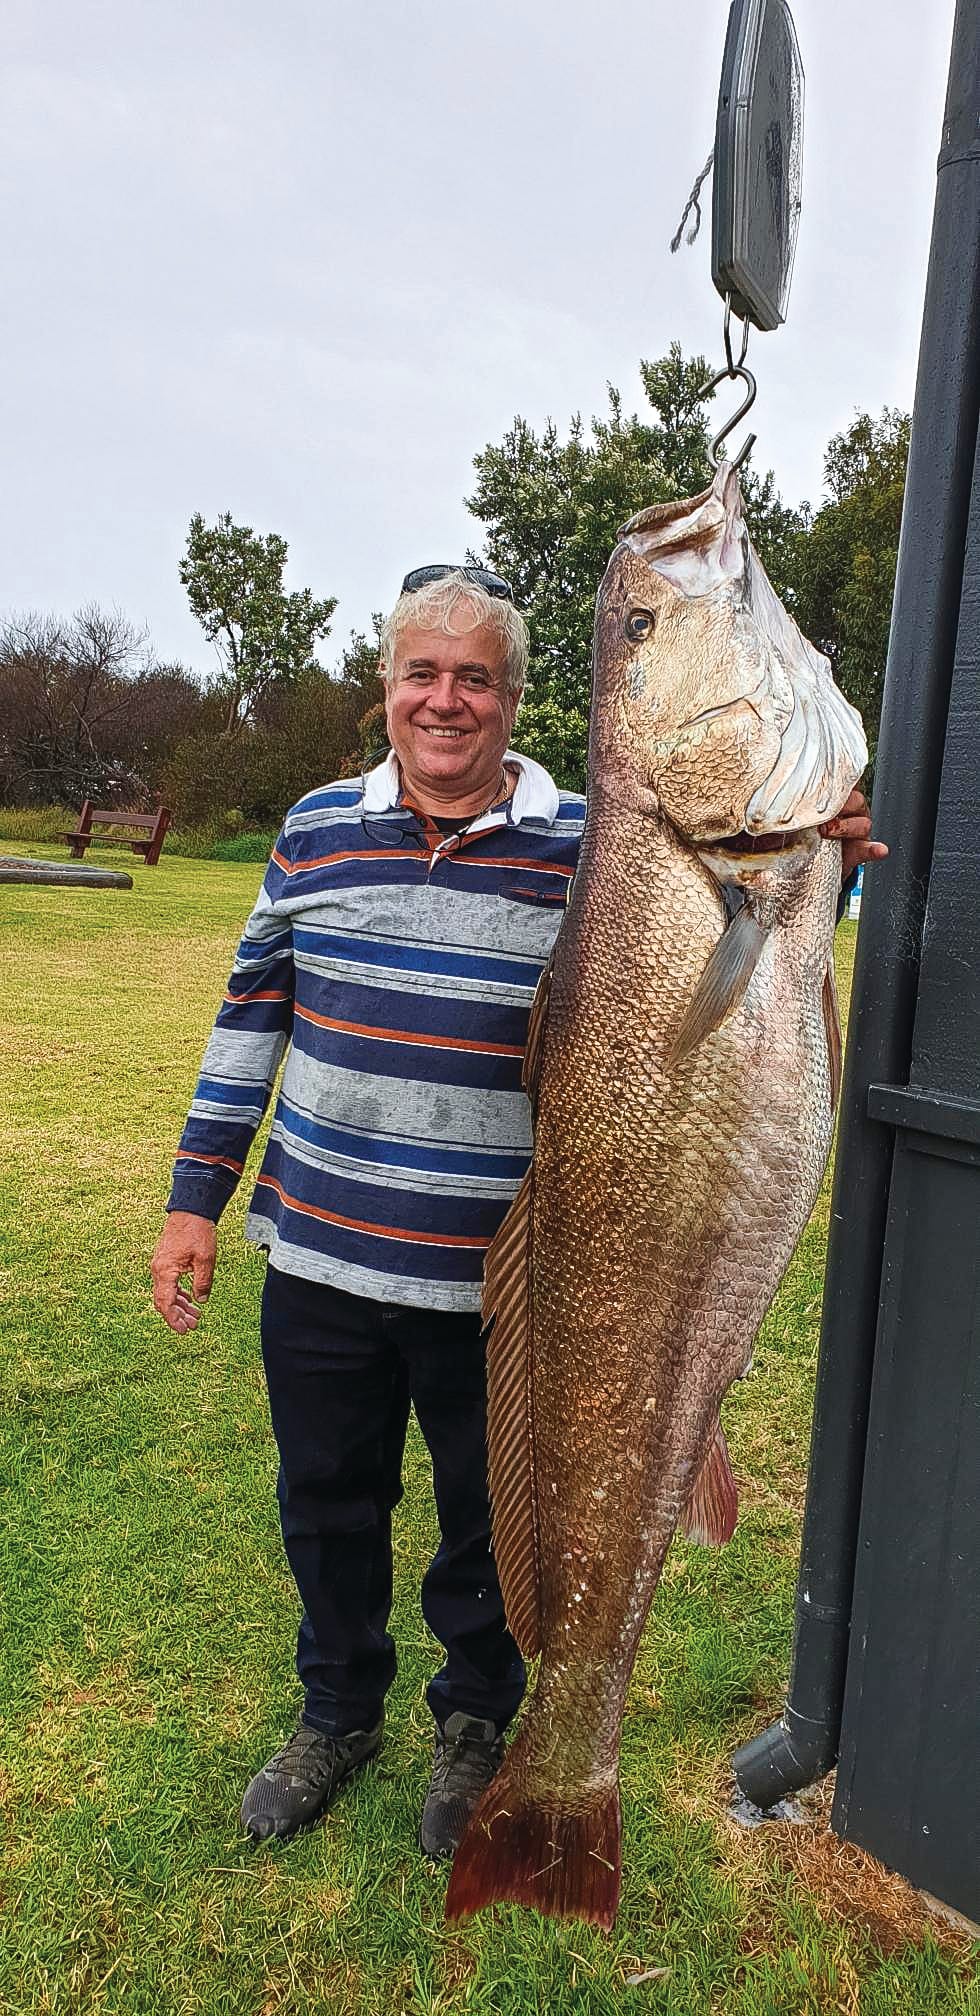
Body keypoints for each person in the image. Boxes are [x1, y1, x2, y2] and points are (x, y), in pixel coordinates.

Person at [151, 565, 885, 1860]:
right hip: (319, 1257)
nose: (446, 699)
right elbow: (251, 1015)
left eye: (474, 676)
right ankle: (338, 1712)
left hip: (510, 1286)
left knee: (496, 1527)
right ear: (387, 687)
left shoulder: (588, 847)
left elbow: (731, 939)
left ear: (511, 695)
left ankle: (476, 1720)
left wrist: (833, 849)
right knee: (327, 1505)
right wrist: (195, 1201)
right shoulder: (316, 829)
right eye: (421, 672)